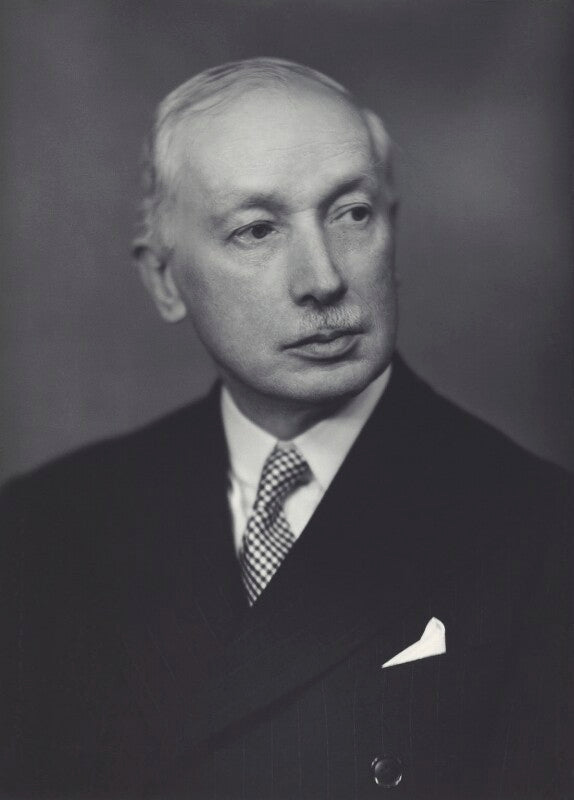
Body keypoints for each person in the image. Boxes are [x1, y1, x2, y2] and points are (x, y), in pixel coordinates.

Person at [0, 58, 571, 799]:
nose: (323, 279)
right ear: (165, 280)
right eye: (257, 229)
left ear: (393, 231)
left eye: (352, 213)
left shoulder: (544, 532)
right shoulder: (43, 527)